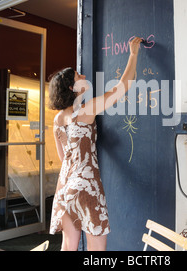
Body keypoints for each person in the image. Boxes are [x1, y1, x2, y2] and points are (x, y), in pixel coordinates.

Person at [48, 36, 142, 251]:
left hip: (65, 189)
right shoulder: (86, 110)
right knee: (96, 249)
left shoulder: (58, 119)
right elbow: (122, 86)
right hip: (86, 187)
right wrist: (134, 53)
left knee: (68, 246)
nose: (84, 75)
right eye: (78, 75)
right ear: (73, 87)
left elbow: (64, 159)